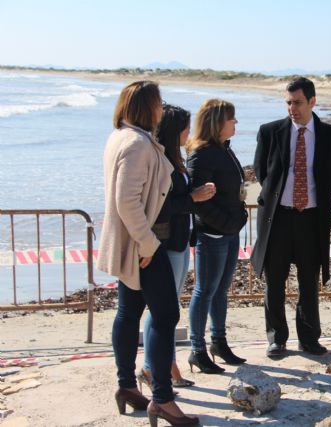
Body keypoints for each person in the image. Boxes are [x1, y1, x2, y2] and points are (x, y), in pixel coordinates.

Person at [97, 81, 198, 426]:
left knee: (128, 313)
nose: (161, 108)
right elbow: (128, 201)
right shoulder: (138, 144)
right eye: (158, 102)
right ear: (146, 107)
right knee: (166, 316)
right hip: (144, 246)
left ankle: (127, 386)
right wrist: (147, 244)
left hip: (131, 245)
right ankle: (163, 400)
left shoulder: (120, 136)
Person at [251, 77, 331, 358]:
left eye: (298, 102)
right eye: (288, 102)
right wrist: (284, 195)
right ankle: (277, 339)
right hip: (278, 219)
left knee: (308, 281)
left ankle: (309, 338)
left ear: (312, 102)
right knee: (275, 281)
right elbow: (262, 171)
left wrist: (312, 197)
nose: (292, 108)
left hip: (311, 219)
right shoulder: (270, 132)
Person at [137, 104, 216, 391]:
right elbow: (160, 207)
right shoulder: (161, 162)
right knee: (163, 311)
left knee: (167, 309)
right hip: (168, 243)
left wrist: (196, 195)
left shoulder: (176, 158)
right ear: (175, 130)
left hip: (180, 242)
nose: (190, 132)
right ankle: (158, 367)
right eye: (186, 126)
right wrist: (193, 198)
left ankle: (158, 366)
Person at [186, 99, 248, 373]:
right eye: (232, 119)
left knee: (221, 291)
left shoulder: (224, 149)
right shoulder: (201, 153)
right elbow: (199, 200)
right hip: (212, 234)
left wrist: (240, 217)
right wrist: (225, 223)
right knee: (204, 291)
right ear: (217, 122)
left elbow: (230, 192)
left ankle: (218, 342)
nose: (235, 123)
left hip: (229, 231)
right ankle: (197, 349)